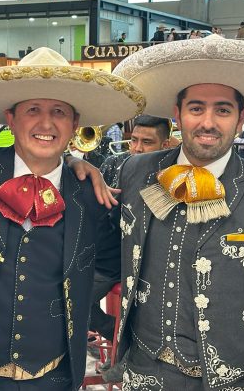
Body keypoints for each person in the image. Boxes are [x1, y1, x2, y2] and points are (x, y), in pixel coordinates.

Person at [112, 34, 244, 389]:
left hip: (231, 381)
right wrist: (71, 167)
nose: (208, 122)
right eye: (196, 108)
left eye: (222, 110)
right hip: (143, 373)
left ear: (241, 119)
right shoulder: (136, 171)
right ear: (177, 114)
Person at [0, 47, 146, 391]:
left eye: (59, 112)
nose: (46, 123)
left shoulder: (90, 196)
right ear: (11, 117)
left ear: (75, 123)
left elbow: (110, 264)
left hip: (54, 378)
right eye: (33, 109)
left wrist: (79, 308)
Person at [92, 114, 172, 382]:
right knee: (64, 297)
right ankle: (118, 342)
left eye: (146, 142)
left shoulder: (172, 175)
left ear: (167, 143)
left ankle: (125, 354)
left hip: (146, 261)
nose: (136, 148)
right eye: (134, 140)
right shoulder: (116, 162)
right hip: (111, 256)